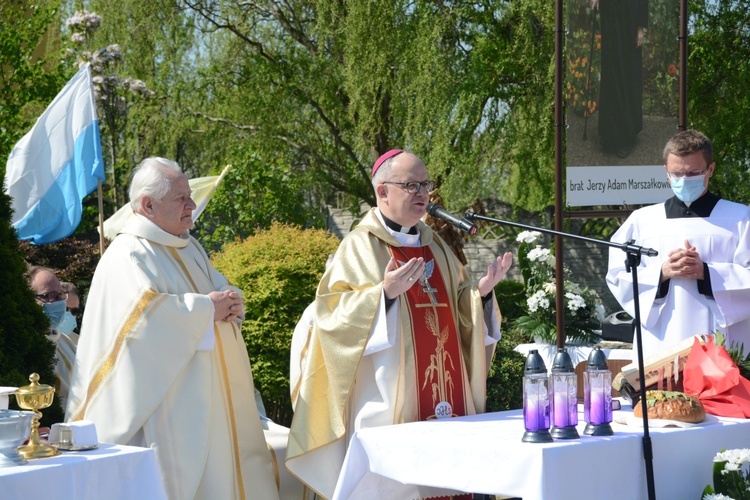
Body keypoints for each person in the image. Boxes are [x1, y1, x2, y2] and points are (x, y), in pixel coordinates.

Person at [286, 149, 513, 498]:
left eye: (426, 184)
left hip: (445, 394)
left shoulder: (434, 244)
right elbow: (330, 319)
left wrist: (479, 294)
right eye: (411, 185)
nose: (423, 193)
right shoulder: (360, 246)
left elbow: (457, 305)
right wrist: (383, 296)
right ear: (383, 192)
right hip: (388, 399)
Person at [65, 157, 279, 500]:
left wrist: (232, 301)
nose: (192, 204)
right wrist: (207, 308)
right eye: (181, 197)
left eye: (189, 195)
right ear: (148, 205)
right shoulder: (128, 254)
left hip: (209, 403)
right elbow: (142, 323)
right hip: (167, 410)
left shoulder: (189, 245)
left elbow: (216, 289)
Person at [606, 130, 750, 357]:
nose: (684, 180)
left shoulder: (741, 218)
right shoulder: (642, 221)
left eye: (693, 173)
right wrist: (661, 273)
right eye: (676, 174)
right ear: (666, 172)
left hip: (721, 340)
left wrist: (708, 273)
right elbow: (618, 276)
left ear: (710, 169)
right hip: (662, 338)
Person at [592, 0, 648, 158]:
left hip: (629, 17)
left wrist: (640, 25)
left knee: (626, 73)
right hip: (610, 13)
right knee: (610, 72)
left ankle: (626, 136)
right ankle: (609, 134)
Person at [27, 266, 77, 407]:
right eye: (50, 295)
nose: (60, 301)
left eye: (61, 294)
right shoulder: (20, 346)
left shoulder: (67, 342)